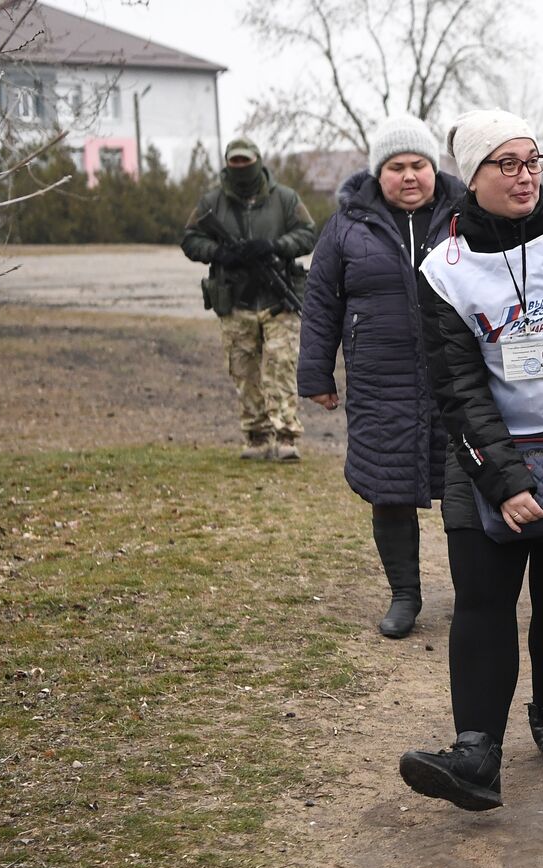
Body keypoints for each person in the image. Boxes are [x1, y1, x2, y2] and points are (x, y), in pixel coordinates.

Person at [396, 109, 543, 813]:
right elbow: (457, 387)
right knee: (483, 599)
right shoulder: (444, 269)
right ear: (473, 175)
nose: (527, 174)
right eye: (508, 163)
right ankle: (475, 751)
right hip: (484, 456)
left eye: (534, 160)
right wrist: (504, 480)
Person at [298, 114, 467, 639]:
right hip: (380, 383)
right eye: (397, 167)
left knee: (469, 490)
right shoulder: (347, 226)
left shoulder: (467, 215)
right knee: (389, 490)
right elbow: (321, 302)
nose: (410, 176)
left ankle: (475, 595)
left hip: (459, 379)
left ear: (434, 167)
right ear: (379, 173)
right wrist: (316, 372)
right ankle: (405, 595)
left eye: (419, 164)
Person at [182, 138, 317, 461]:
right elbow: (190, 239)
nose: (241, 168)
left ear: (258, 161)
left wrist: (274, 246)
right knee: (244, 371)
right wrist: (220, 253)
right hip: (235, 301)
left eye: (246, 161)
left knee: (281, 366)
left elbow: (308, 233)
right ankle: (257, 437)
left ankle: (286, 435)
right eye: (235, 162)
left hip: (278, 297)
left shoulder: (285, 199)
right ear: (228, 164)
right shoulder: (211, 203)